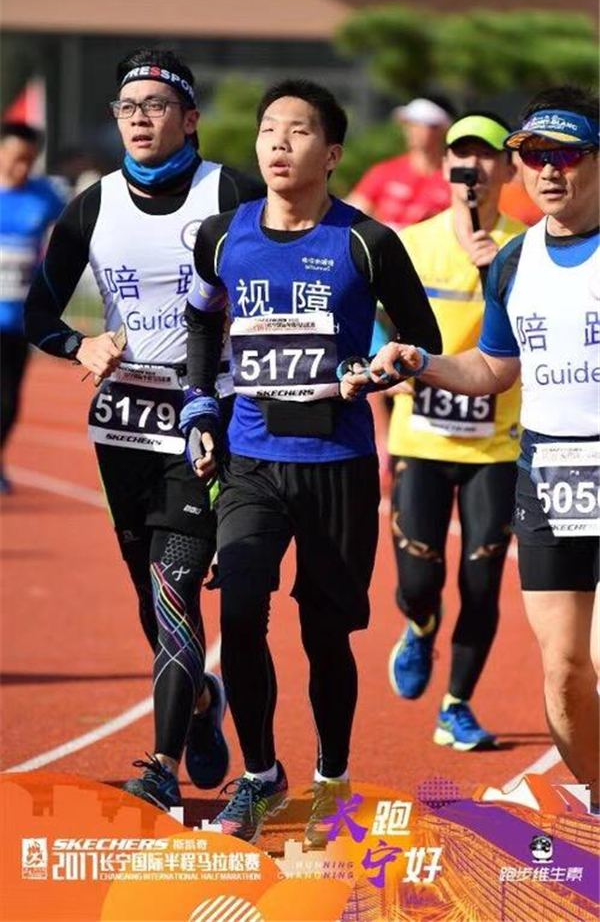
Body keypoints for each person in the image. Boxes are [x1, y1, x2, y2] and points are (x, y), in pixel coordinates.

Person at [181, 78, 441, 845]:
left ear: (331, 154)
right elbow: (202, 320)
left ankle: (332, 777)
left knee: (325, 636)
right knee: (239, 609)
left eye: (298, 131)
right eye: (269, 129)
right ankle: (260, 774)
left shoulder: (366, 242)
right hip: (252, 458)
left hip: (337, 461)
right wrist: (200, 406)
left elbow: (420, 339)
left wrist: (381, 368)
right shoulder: (220, 237)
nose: (278, 143)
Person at [24, 48, 265, 811]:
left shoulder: (230, 193)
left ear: (189, 118)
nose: (138, 118)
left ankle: (160, 766)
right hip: (125, 420)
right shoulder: (92, 205)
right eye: (127, 107)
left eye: (155, 105)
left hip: (210, 412)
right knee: (150, 594)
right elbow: (38, 312)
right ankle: (199, 701)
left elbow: (282, 269)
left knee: (176, 579)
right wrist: (80, 345)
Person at [357, 86, 599, 811]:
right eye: (533, 155)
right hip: (549, 479)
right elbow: (493, 369)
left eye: (566, 156)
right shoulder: (515, 263)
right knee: (563, 673)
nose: (548, 170)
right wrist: (421, 362)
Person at [384, 112, 525, 750]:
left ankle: (457, 705)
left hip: (497, 443)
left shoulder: (529, 247)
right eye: (461, 156)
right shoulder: (412, 244)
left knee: (482, 581)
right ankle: (419, 627)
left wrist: (500, 273)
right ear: (445, 167)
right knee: (419, 582)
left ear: (509, 168)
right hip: (421, 438)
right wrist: (388, 361)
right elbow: (370, 319)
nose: (474, 168)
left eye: (487, 156)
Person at [0, 122, 65, 493]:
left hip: (19, 318)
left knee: (9, 401)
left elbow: (77, 229)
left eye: (29, 160)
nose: (21, 167)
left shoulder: (45, 196)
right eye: (15, 158)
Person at [346, 96, 454, 230]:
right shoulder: (384, 171)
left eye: (420, 124)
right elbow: (349, 216)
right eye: (410, 124)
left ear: (442, 129)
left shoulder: (455, 179)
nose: (411, 130)